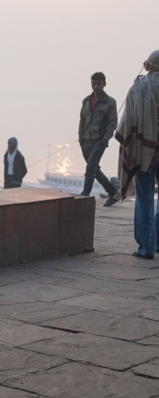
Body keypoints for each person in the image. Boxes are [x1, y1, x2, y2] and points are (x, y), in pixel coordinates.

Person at [115, 50, 159, 259]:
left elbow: (126, 123)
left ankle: (147, 247)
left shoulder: (140, 87)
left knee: (144, 197)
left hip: (144, 152)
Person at [78, 72, 120, 206]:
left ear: (104, 84)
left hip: (99, 142)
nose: (95, 87)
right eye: (93, 83)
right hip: (85, 142)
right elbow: (82, 121)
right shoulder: (86, 101)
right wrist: (80, 139)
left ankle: (85, 195)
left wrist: (105, 140)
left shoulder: (110, 102)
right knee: (95, 170)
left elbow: (113, 123)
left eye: (98, 84)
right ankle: (112, 190)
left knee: (90, 168)